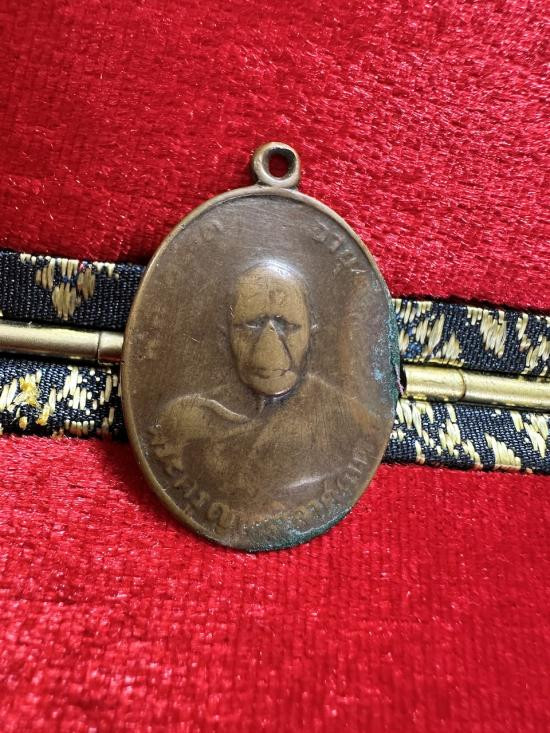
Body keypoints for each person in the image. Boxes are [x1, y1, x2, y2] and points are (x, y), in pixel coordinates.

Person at [150, 262, 381, 509]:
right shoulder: (182, 421)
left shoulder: (349, 421)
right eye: (251, 325)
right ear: (225, 335)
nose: (269, 351)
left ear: (311, 335)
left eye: (289, 327)